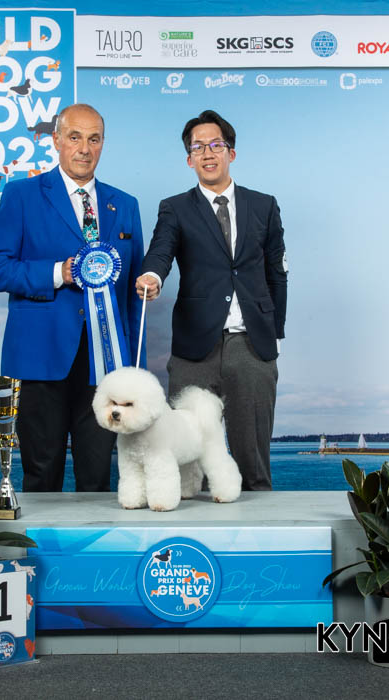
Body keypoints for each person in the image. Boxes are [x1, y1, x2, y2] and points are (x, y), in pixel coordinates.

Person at [0, 103, 145, 492]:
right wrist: (58, 273)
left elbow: (133, 296)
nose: (84, 148)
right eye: (75, 137)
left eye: (94, 139)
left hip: (106, 368)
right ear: (56, 140)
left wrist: (134, 366)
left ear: (103, 144)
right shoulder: (21, 195)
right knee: (41, 476)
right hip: (39, 360)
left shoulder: (126, 204)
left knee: (99, 479)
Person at [136, 109, 287, 491]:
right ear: (189, 159)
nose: (207, 153)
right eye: (198, 147)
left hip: (251, 346)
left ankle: (259, 521)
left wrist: (274, 333)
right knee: (189, 462)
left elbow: (277, 274)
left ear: (231, 153)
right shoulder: (175, 207)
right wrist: (152, 276)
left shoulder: (264, 205)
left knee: (253, 460)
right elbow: (160, 251)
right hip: (194, 349)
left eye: (215, 145)